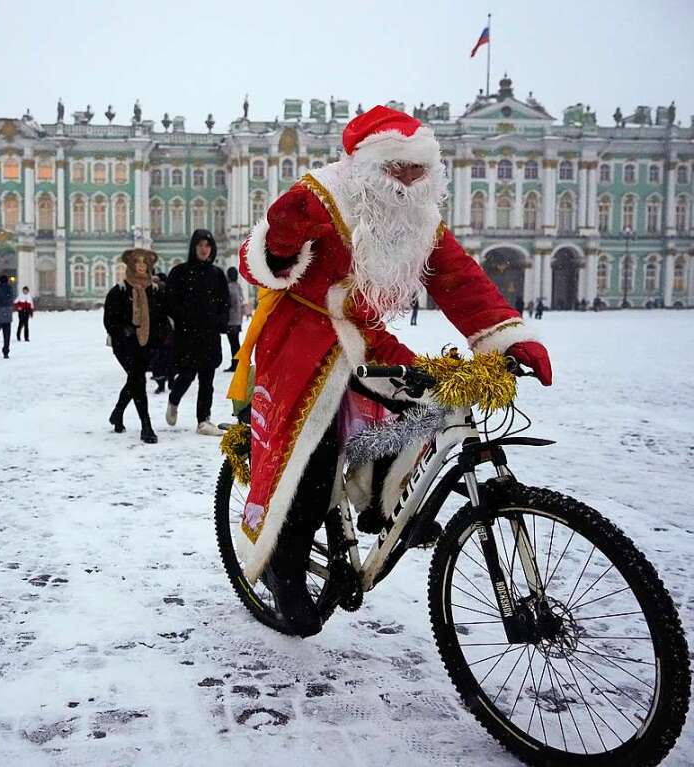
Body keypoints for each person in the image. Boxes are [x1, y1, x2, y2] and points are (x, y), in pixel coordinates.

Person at [232, 105, 551, 637]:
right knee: (312, 456)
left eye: (417, 169)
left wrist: (508, 337)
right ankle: (284, 566)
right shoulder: (325, 195)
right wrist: (279, 243)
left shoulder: (422, 217)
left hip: (364, 333)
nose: (406, 180)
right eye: (395, 168)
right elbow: (254, 262)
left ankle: (376, 497)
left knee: (426, 407)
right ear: (367, 166)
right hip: (304, 336)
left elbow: (459, 280)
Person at [166, 229, 230, 436]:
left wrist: (221, 322)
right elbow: (170, 302)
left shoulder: (217, 274)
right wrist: (184, 319)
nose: (204, 249)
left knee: (207, 379)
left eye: (207, 246)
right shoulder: (180, 272)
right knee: (186, 375)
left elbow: (224, 302)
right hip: (187, 335)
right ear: (194, 248)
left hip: (209, 335)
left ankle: (203, 420)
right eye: (200, 245)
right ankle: (173, 400)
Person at [103, 249, 169, 444]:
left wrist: (159, 336)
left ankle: (118, 412)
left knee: (135, 379)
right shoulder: (119, 291)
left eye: (145, 262)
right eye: (137, 262)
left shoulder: (155, 291)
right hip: (125, 346)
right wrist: (124, 332)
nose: (141, 265)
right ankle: (146, 425)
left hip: (147, 344)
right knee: (138, 379)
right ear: (131, 265)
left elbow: (162, 317)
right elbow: (109, 320)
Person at [149, 271, 175, 393]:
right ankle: (170, 381)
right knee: (168, 357)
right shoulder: (170, 292)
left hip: (158, 329)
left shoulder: (155, 292)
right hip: (168, 330)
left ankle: (161, 384)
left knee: (158, 359)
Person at [224, 267, 246, 372]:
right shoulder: (238, 286)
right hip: (237, 319)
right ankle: (237, 363)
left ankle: (235, 364)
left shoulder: (228, 288)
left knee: (234, 343)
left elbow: (230, 304)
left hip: (231, 320)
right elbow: (240, 303)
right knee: (235, 343)